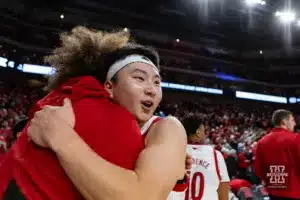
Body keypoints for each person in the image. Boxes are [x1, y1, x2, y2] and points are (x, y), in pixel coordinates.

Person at [1, 26, 187, 200]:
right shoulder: (95, 114)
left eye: (157, 82)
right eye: (139, 78)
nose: (151, 90)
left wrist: (61, 137)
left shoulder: (167, 127)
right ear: (109, 87)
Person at [168, 115, 230, 200]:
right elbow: (223, 196)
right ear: (198, 132)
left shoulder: (171, 152)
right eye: (204, 131)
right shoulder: (216, 155)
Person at [254, 109, 300, 200]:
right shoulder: (295, 138)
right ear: (284, 122)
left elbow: (259, 170)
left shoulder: (261, 141)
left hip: (273, 191)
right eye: (292, 120)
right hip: (294, 191)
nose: (294, 124)